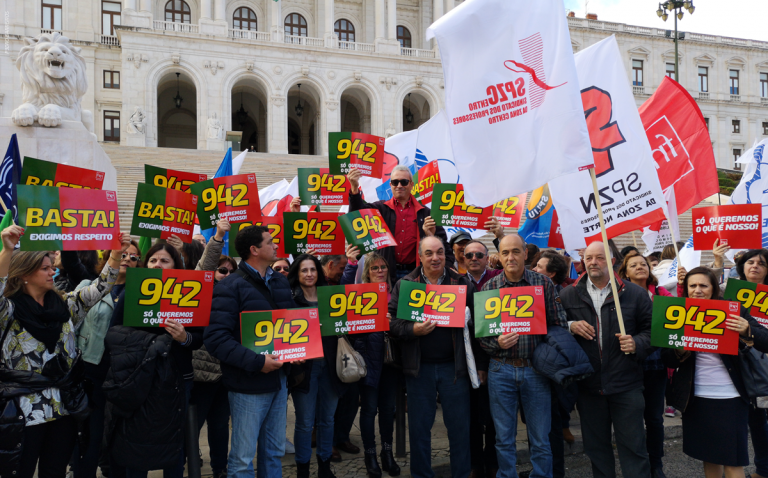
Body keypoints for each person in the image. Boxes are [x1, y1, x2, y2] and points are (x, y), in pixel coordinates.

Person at [0, 225, 127, 478]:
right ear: (24, 274)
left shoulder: (66, 305)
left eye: (52, 266)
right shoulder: (8, 311)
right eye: (45, 268)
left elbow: (101, 287)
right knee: (19, 472)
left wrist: (115, 254)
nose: (53, 270)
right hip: (22, 410)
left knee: (55, 471)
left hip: (63, 408)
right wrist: (7, 250)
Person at [204, 225, 295, 478]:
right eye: (270, 242)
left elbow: (286, 328)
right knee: (243, 459)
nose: (276, 246)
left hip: (279, 381)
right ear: (254, 250)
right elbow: (216, 338)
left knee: (274, 451)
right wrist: (257, 362)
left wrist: (296, 350)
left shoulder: (279, 281)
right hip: (248, 385)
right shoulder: (230, 286)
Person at [107, 242, 204, 478]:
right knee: (136, 442)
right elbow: (114, 333)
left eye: (164, 260)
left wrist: (184, 337)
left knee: (175, 442)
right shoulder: (132, 291)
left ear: (176, 265)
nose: (157, 264)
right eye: (152, 260)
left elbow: (199, 339)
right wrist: (149, 343)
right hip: (140, 378)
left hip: (178, 380)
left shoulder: (189, 292)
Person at [662, 267, 768, 478]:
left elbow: (765, 341)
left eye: (703, 285)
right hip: (696, 397)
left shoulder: (734, 310)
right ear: (686, 289)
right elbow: (668, 359)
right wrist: (679, 349)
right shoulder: (677, 313)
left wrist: (748, 330)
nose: (698, 290)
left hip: (731, 396)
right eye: (693, 286)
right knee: (709, 456)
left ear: (714, 288)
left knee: (732, 460)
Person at [559, 241, 653, 478]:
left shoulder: (635, 293)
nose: (593, 262)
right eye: (589, 258)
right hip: (589, 386)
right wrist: (570, 325)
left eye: (599, 258)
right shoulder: (569, 294)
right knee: (596, 450)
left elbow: (653, 332)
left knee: (633, 448)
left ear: (612, 262)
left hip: (626, 385)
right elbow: (554, 325)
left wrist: (637, 343)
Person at [477, 234, 567, 478]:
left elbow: (559, 325)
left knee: (540, 438)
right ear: (500, 255)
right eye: (505, 253)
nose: (510, 257)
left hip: (535, 370)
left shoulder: (543, 284)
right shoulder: (489, 288)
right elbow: (481, 337)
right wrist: (496, 342)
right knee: (504, 438)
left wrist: (544, 346)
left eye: (515, 252)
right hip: (500, 369)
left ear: (525, 253)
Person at [389, 235, 476, 478]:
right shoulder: (405, 284)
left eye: (439, 252)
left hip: (454, 369)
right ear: (420, 256)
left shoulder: (461, 283)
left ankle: (461, 474)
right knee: (419, 430)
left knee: (459, 429)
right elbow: (393, 325)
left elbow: (478, 327)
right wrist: (412, 330)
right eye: (429, 253)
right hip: (419, 370)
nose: (435, 257)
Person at [71, 241, 142, 478]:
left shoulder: (143, 293)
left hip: (123, 374)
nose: (127, 259)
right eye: (123, 254)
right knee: (90, 434)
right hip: (90, 370)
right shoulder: (87, 285)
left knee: (117, 435)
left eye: (133, 257)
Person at [339, 246, 401, 477]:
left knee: (388, 409)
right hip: (368, 360)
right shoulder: (359, 292)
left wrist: (392, 320)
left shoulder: (395, 291)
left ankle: (387, 453)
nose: (380, 270)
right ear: (367, 272)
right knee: (368, 411)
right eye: (374, 267)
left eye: (383, 266)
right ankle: (370, 455)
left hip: (391, 359)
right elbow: (343, 292)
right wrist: (351, 263)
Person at [288, 254, 348, 477]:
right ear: (297, 273)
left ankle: (324, 466)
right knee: (304, 422)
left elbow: (346, 325)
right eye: (304, 270)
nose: (309, 274)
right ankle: (302, 468)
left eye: (313, 269)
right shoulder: (290, 299)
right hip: (305, 370)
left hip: (331, 367)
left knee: (327, 420)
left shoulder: (331, 296)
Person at [347, 165, 454, 281]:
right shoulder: (380, 209)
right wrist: (354, 188)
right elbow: (356, 217)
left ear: (411, 185)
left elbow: (444, 245)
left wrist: (447, 269)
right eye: (395, 182)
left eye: (404, 182)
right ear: (390, 185)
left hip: (416, 273)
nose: (399, 186)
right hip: (386, 272)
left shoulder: (426, 213)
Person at [618, 250, 672, 478]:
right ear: (625, 272)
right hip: (629, 364)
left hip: (656, 365)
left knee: (654, 418)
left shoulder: (662, 293)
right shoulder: (619, 295)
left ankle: (656, 463)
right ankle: (637, 464)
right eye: (634, 265)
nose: (640, 267)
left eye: (643, 264)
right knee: (631, 419)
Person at [731, 249, 768, 478]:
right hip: (744, 364)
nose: (755, 266)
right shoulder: (729, 292)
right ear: (742, 267)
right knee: (756, 420)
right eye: (750, 262)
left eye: (761, 263)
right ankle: (763, 468)